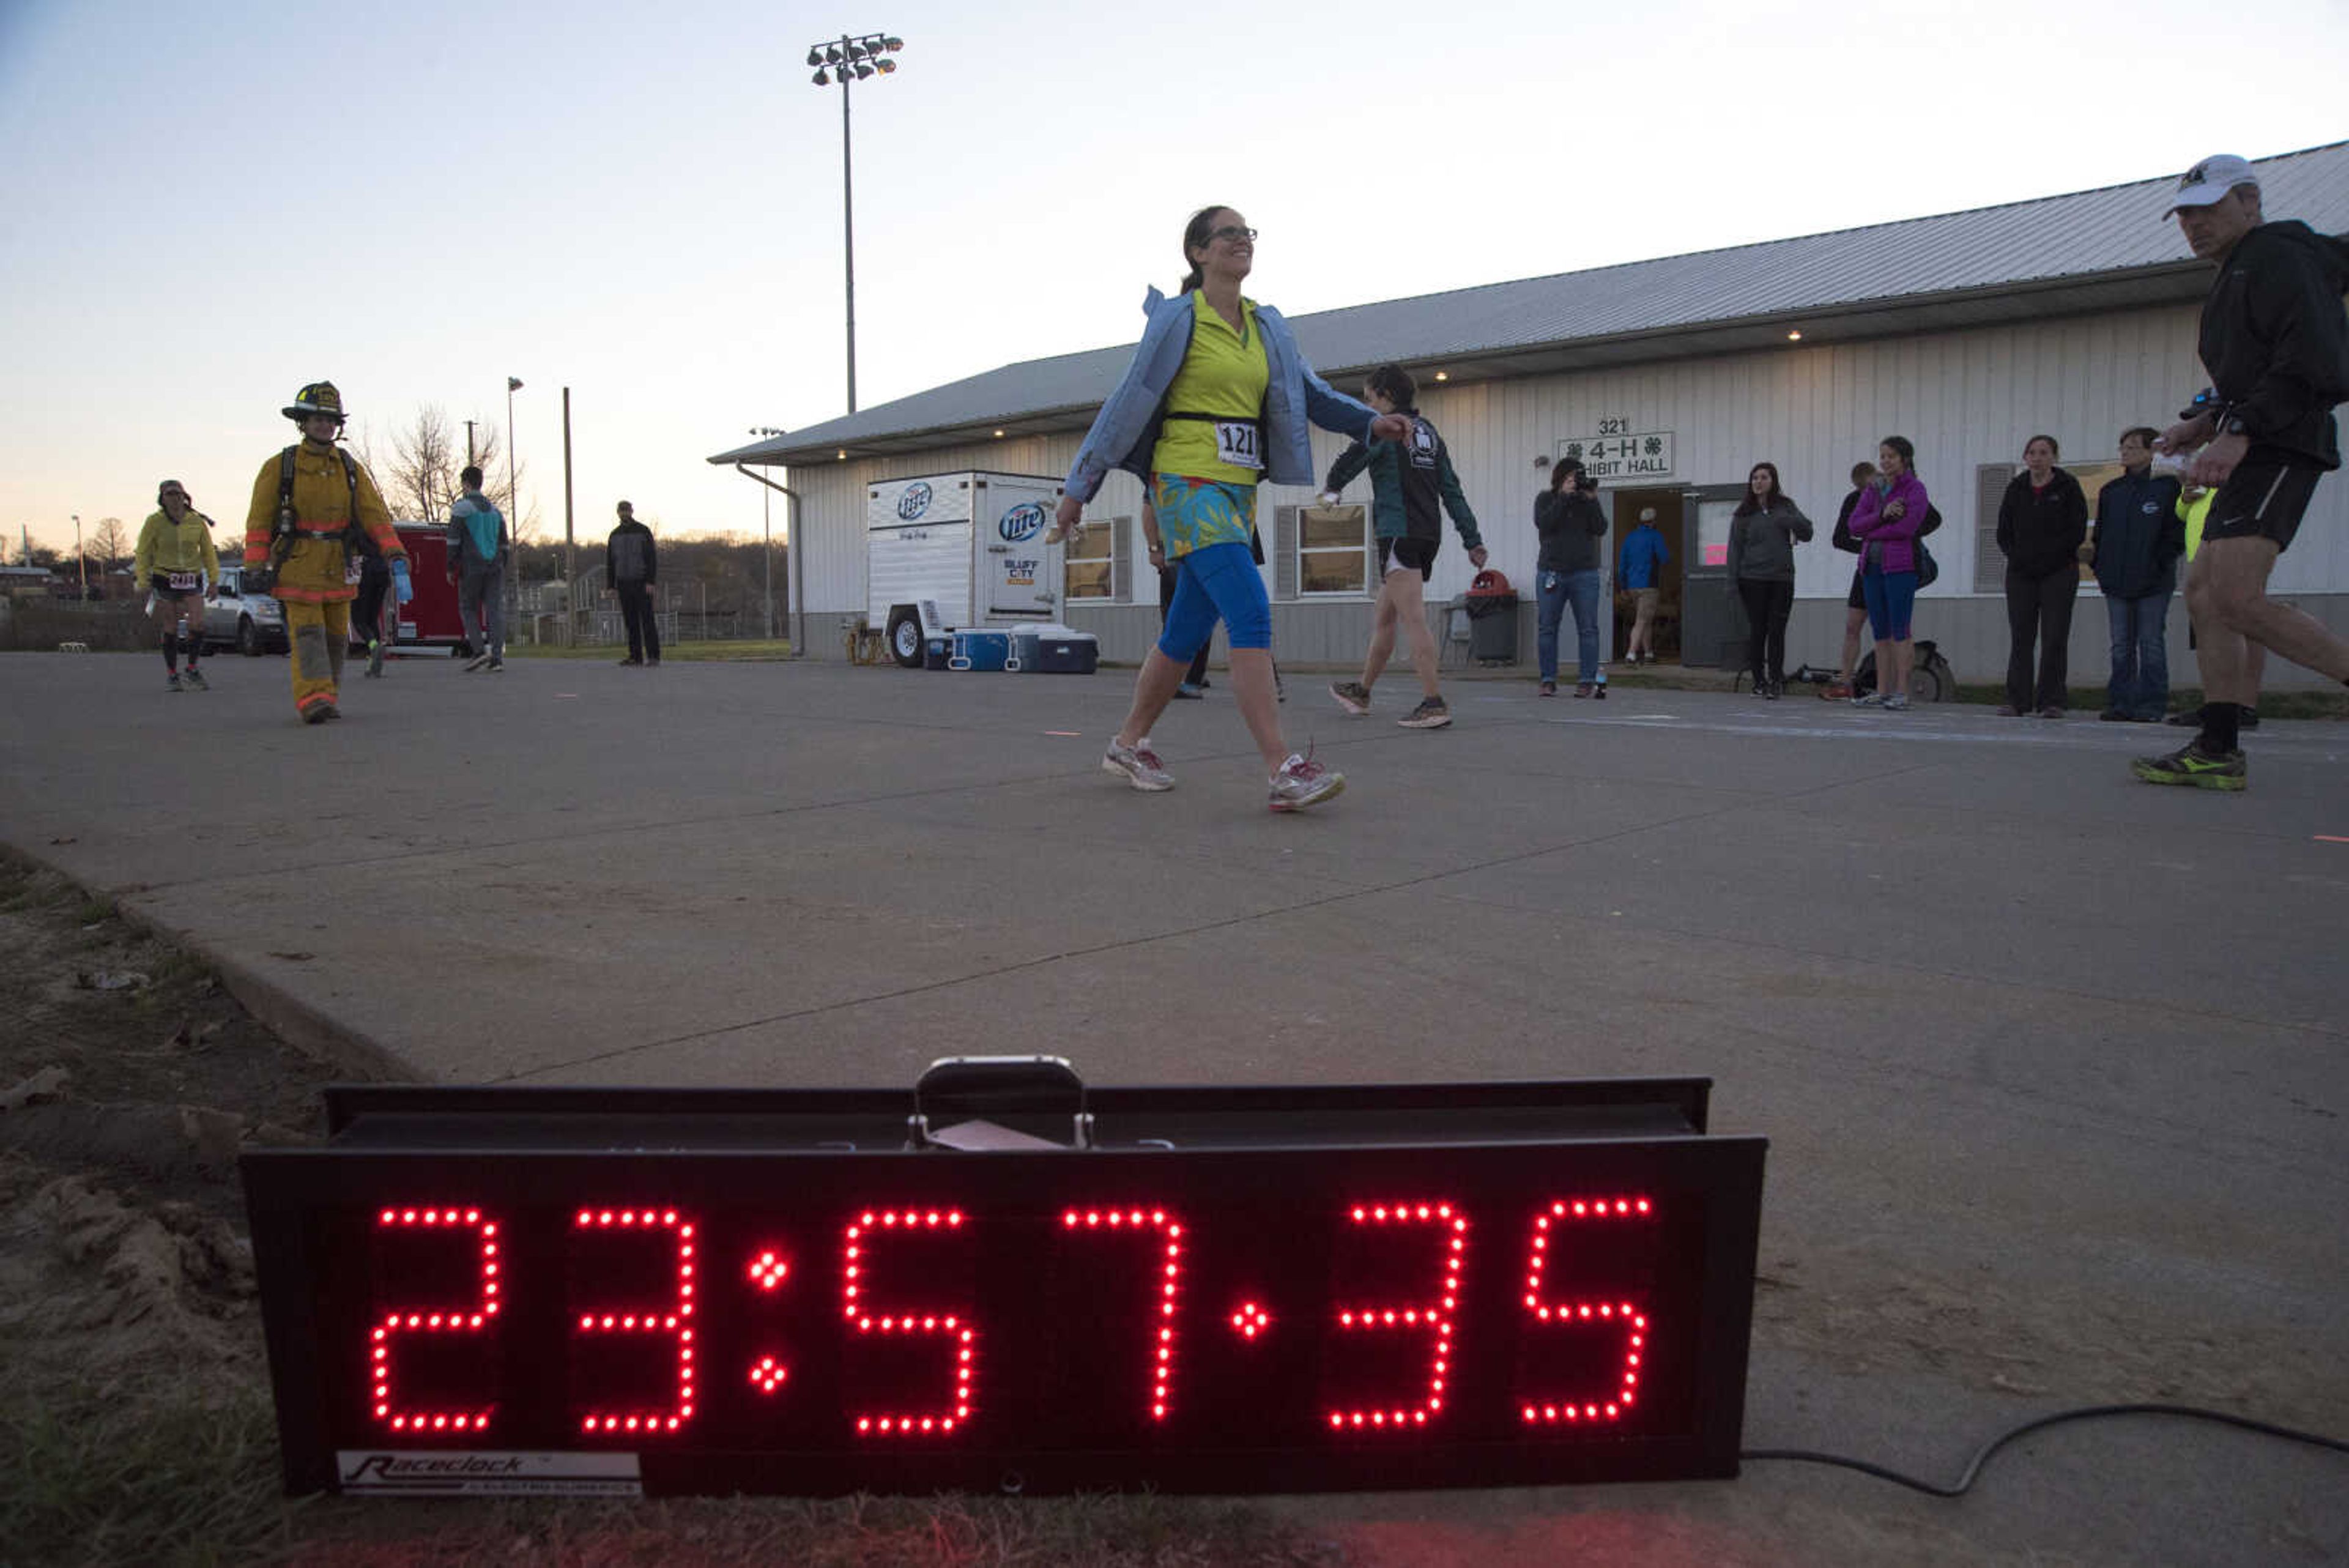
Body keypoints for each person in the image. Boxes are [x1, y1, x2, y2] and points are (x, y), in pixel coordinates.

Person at [1050, 205, 1403, 809]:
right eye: (1228, 234)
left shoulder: (1268, 326)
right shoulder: (1177, 318)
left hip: (1237, 492)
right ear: (1199, 253)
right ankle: (1282, 769)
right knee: (1250, 611)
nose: (1242, 241)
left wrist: (1372, 422)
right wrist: (1078, 489)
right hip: (1185, 483)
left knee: (1185, 630)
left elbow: (1310, 394)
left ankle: (1127, 743)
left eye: (1248, 233)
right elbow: (1128, 400)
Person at [2136, 154, 2349, 791]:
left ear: (2250, 203)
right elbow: (2252, 372)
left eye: (2210, 209)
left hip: (2282, 444)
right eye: (2187, 216)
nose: (2195, 225)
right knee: (2205, 595)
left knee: (2236, 596)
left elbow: (2317, 359)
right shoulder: (2239, 273)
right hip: (2254, 440)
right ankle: (2219, 746)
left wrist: (2240, 431)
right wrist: (2205, 419)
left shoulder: (2280, 256)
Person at [1321, 363, 1488, 729]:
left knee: (1413, 618)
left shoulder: (1387, 431)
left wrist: (1333, 487)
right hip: (1428, 533)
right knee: (1385, 616)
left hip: (1398, 530)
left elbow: (1353, 457)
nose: (1368, 408)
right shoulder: (1430, 434)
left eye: (1370, 400)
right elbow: (1452, 489)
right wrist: (1472, 540)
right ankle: (1361, 691)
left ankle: (1433, 702)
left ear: (1388, 398)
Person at [242, 382, 408, 724]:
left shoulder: (349, 468)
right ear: (303, 422)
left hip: (338, 562)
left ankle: (326, 695)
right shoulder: (280, 466)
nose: (325, 426)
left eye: (331, 420)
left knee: (335, 637)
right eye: (318, 419)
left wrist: (394, 551)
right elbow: (258, 520)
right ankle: (312, 698)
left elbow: (373, 513)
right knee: (308, 635)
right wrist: (255, 564)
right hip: (298, 563)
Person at [2085, 428, 2184, 722]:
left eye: (2132, 447)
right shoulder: (2112, 491)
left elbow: (2174, 534)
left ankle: (2151, 705)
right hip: (2116, 581)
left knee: (2150, 643)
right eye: (2123, 447)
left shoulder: (2166, 488)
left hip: (2153, 583)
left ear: (2150, 452)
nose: (2125, 453)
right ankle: (2121, 704)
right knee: (2121, 645)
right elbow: (2100, 535)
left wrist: (2159, 564)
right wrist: (2100, 567)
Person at [1994, 435, 2088, 718]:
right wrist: (2019, 557)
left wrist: (2050, 558)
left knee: (2054, 636)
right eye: (2032, 453)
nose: (2037, 458)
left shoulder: (2068, 487)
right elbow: (2004, 532)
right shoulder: (2016, 488)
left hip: (2058, 572)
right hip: (2021, 574)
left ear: (2055, 457)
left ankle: (2052, 700)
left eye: (2044, 453)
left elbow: (2076, 530)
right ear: (2025, 458)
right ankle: (2017, 700)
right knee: (2021, 637)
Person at [2164, 479, 2265, 730]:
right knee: (2208, 632)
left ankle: (2245, 705)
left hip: (2236, 548)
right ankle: (2217, 705)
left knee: (2244, 625)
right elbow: (2182, 512)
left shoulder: (2242, 454)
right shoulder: (2205, 465)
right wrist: (2185, 499)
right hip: (2201, 553)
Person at [1846, 436, 1927, 710]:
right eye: (1882, 456)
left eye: (1891, 456)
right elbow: (1854, 526)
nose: (1885, 461)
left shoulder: (1915, 489)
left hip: (1901, 568)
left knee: (1900, 628)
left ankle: (1902, 692)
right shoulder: (1874, 489)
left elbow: (1906, 529)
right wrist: (1882, 516)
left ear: (1904, 459)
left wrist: (1873, 530)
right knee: (1879, 630)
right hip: (1871, 567)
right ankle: (1882, 690)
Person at [1727, 462, 1813, 699]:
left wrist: (1791, 522)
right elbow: (1734, 549)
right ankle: (1759, 680)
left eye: (1764, 477)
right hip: (1752, 578)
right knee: (1758, 630)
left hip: (1782, 579)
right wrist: (1732, 583)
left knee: (1777, 630)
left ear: (1773, 481)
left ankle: (1776, 679)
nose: (1758, 482)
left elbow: (1807, 533)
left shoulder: (1786, 506)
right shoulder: (1743, 513)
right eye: (1754, 478)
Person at [133, 480, 220, 693]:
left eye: (177, 494)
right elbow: (143, 551)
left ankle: (191, 668)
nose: (174, 498)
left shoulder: (196, 522)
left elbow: (208, 552)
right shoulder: (155, 522)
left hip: (191, 576)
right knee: (171, 626)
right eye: (169, 494)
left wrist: (214, 580)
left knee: (197, 623)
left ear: (185, 496)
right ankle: (172, 674)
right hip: (165, 576)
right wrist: (143, 579)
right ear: (162, 499)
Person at [1534, 458, 1610, 697]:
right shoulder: (1546, 498)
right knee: (1547, 628)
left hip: (1584, 573)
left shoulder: (1585, 501)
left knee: (1588, 629)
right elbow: (1545, 524)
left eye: (1577, 478)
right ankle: (1548, 679)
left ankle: (1587, 680)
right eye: (1570, 478)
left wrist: (1593, 499)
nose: (1574, 483)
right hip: (1551, 571)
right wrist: (1564, 497)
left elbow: (1600, 528)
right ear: (1559, 478)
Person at [1820, 463, 1876, 700]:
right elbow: (1840, 538)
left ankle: (1892, 685)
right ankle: (1845, 680)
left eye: (1870, 488)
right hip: (1866, 567)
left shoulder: (1894, 494)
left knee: (1890, 630)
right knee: (1853, 625)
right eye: (1862, 490)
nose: (1866, 494)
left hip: (1895, 567)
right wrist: (1866, 548)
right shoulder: (1853, 500)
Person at [446, 464, 509, 672]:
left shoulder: (461, 508)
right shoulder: (496, 512)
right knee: (494, 610)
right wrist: (502, 564)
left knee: (468, 608)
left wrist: (450, 566)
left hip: (471, 566)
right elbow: (505, 544)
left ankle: (478, 651)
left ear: (466, 484)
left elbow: (453, 540)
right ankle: (497, 658)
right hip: (495, 566)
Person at [607, 500, 659, 667]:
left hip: (642, 582)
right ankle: (635, 657)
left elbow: (651, 558)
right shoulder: (614, 535)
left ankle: (653, 656)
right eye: (621, 511)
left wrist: (651, 581)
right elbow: (610, 561)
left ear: (632, 511)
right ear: (618, 513)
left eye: (626, 511)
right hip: (623, 583)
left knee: (647, 620)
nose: (624, 514)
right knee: (631, 622)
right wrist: (611, 585)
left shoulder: (643, 531)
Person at [1616, 507, 1669, 667]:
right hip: (1648, 585)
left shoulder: (1630, 538)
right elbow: (1664, 558)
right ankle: (1631, 655)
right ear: (1653, 521)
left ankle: (1649, 654)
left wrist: (1623, 587)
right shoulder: (1655, 536)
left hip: (1632, 586)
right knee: (1641, 621)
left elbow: (1622, 564)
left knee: (1646, 620)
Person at [349, 549, 393, 677]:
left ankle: (373, 645)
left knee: (359, 619)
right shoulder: (381, 529)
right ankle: (372, 663)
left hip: (365, 571)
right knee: (372, 619)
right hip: (382, 571)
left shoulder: (355, 530)